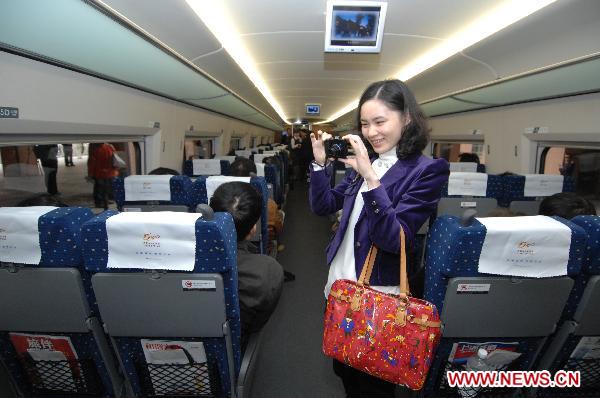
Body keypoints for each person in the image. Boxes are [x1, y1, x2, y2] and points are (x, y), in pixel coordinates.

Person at [309, 79, 449, 397]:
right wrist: (319, 165)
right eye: (365, 124)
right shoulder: (367, 161)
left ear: (407, 118)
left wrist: (372, 179)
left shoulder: (427, 170)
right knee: (343, 368)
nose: (371, 132)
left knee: (373, 385)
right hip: (338, 288)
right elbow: (323, 206)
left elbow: (393, 238)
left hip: (378, 298)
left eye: (380, 121)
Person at [209, 181, 284, 341]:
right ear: (253, 229)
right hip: (234, 345)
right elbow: (256, 324)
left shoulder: (177, 255)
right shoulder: (268, 270)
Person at [87, 143, 118, 210]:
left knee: (99, 189)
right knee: (107, 189)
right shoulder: (110, 147)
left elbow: (92, 162)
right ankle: (105, 203)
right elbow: (115, 159)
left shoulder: (94, 148)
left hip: (99, 173)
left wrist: (90, 174)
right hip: (110, 173)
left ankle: (100, 203)